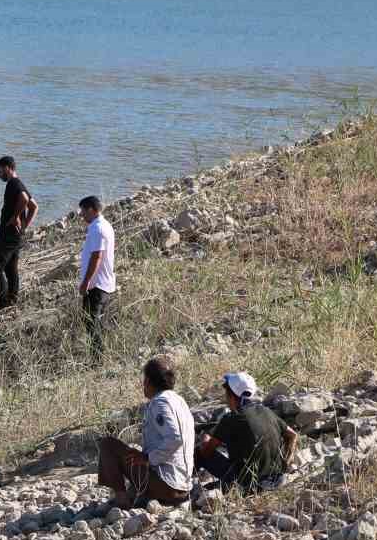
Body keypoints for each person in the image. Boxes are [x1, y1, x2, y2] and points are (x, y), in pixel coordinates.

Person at [97, 355, 194, 508]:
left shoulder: (159, 403)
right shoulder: (179, 400)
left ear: (147, 381)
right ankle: (137, 493)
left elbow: (176, 438)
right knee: (135, 453)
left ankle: (122, 500)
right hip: (183, 488)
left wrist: (148, 458)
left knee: (108, 444)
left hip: (168, 487)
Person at [195, 371, 298, 493]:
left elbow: (207, 451)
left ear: (231, 395)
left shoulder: (231, 418)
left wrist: (205, 440)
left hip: (249, 486)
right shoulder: (266, 411)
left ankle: (182, 489)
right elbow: (292, 435)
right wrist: (287, 459)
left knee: (200, 452)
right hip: (278, 480)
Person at [0, 156, 37, 311]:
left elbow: (25, 200)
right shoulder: (18, 183)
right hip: (15, 235)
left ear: (7, 168)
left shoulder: (13, 183)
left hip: (9, 235)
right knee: (11, 269)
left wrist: (16, 217)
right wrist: (24, 227)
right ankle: (12, 301)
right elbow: (34, 206)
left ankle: (3, 303)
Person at [77, 195, 116, 362]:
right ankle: (98, 358)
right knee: (95, 322)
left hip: (97, 285)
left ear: (92, 210)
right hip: (103, 283)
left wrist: (86, 282)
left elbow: (97, 257)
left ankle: (97, 361)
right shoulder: (103, 225)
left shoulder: (97, 228)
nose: (81, 215)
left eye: (83, 211)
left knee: (91, 322)